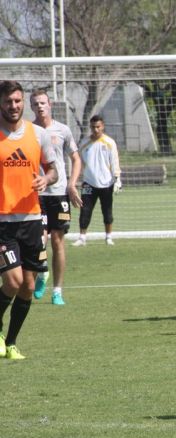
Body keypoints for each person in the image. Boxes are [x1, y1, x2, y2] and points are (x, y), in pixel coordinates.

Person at [0, 80, 58, 360]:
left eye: (18, 101)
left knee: (29, 286)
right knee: (12, 281)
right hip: (2, 222)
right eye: (9, 101)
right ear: (1, 103)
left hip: (32, 219)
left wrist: (45, 179)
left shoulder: (38, 135)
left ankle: (10, 342)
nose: (14, 106)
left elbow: (54, 170)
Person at [30, 89, 82, 306]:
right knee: (39, 241)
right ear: (31, 107)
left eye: (43, 102)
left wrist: (71, 184)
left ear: (49, 104)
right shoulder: (28, 131)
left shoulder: (62, 130)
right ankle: (42, 274)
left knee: (58, 242)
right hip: (36, 194)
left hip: (59, 193)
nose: (40, 106)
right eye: (35, 104)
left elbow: (76, 158)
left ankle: (58, 291)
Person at [72, 115, 120, 246]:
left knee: (107, 210)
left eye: (98, 127)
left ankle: (108, 237)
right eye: (93, 127)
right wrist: (76, 179)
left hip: (107, 183)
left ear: (103, 126)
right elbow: (78, 161)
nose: (96, 129)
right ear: (90, 127)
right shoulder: (84, 143)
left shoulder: (109, 143)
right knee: (85, 209)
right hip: (89, 182)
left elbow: (114, 161)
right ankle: (82, 237)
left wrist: (117, 179)